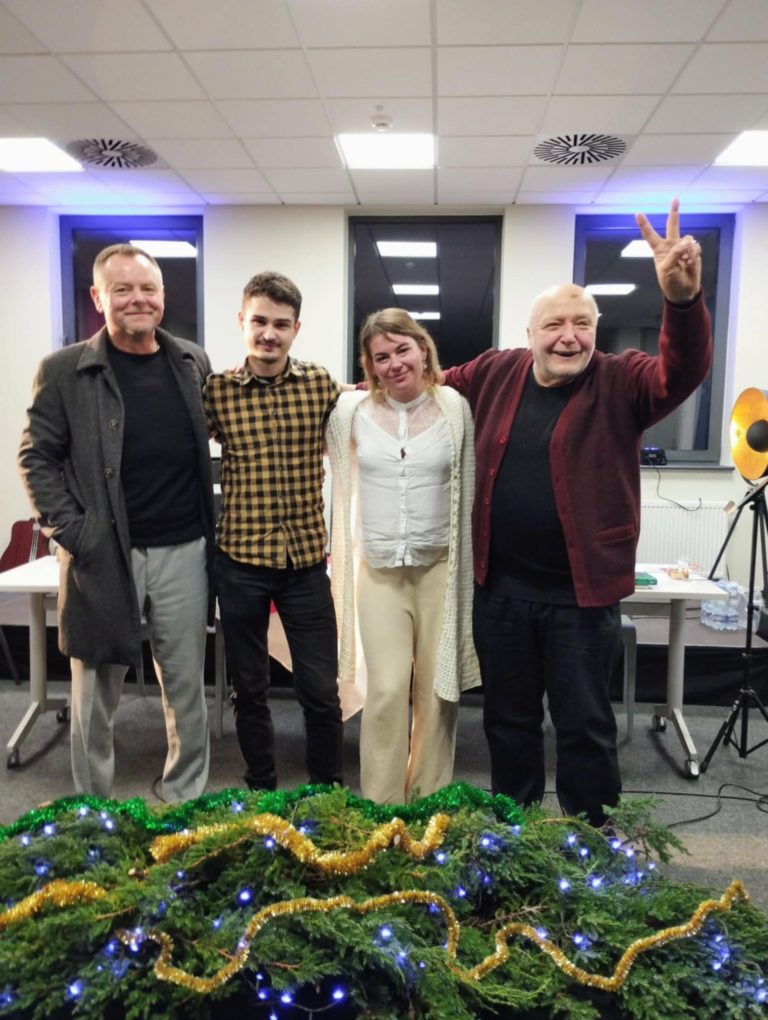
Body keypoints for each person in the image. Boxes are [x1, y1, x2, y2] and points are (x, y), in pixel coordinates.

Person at [441, 199, 713, 826]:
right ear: (530, 334)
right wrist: (349, 395)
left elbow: (681, 372)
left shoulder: (623, 380)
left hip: (581, 600)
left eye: (582, 323)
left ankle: (591, 840)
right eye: (555, 324)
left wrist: (681, 301)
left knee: (584, 726)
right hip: (502, 593)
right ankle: (514, 832)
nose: (569, 336)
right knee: (508, 722)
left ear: (596, 329)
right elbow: (428, 386)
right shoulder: (495, 370)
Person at [18, 243, 214, 802]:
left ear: (163, 296)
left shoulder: (190, 361)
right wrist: (76, 533)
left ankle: (183, 800)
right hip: (104, 554)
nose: (137, 299)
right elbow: (35, 458)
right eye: (122, 289)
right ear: (98, 297)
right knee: (95, 693)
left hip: (184, 550)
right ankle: (93, 809)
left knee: (186, 689)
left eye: (147, 288)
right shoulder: (64, 371)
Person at [326, 309, 480, 804]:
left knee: (436, 693)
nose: (394, 363)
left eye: (402, 350)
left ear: (423, 349)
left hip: (438, 573)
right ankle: (382, 805)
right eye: (381, 357)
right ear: (369, 366)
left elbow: (469, 488)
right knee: (388, 690)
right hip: (379, 575)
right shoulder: (350, 413)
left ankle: (429, 802)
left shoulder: (454, 408)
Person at [203, 271, 343, 792]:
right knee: (250, 689)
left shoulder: (320, 385)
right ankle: (261, 788)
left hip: (304, 564)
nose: (269, 333)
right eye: (259, 321)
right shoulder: (217, 391)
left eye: (281, 324)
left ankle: (327, 792)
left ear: (296, 328)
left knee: (321, 691)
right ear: (242, 321)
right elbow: (175, 448)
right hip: (239, 562)